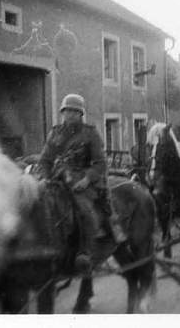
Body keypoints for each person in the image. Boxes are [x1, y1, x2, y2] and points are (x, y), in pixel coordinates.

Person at [38, 94, 125, 273]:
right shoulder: (55, 133)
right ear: (62, 112)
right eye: (67, 111)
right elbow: (45, 160)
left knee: (83, 208)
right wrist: (45, 177)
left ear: (80, 114)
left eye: (74, 111)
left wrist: (86, 180)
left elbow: (100, 163)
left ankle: (85, 251)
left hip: (84, 180)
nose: (69, 115)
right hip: (59, 178)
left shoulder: (90, 133)